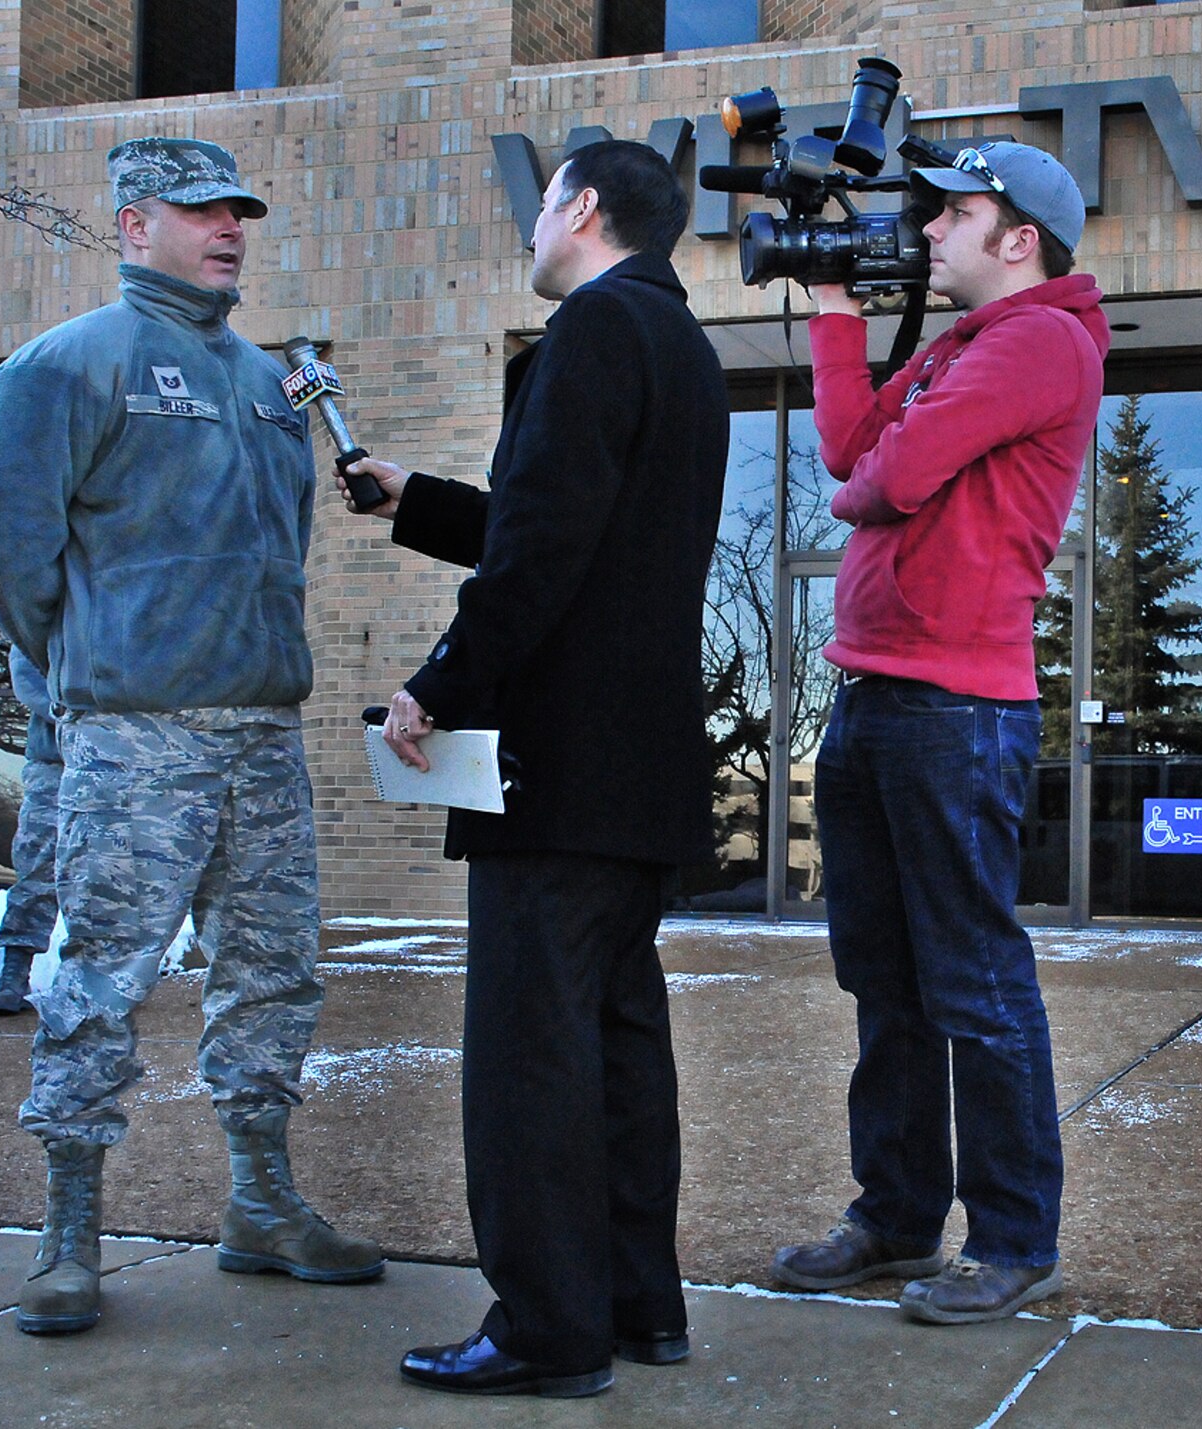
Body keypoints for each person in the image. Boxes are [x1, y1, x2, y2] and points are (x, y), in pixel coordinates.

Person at [0, 136, 383, 1337]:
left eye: (236, 210)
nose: (227, 228)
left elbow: (275, 547)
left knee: (275, 971)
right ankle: (68, 1233)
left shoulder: (262, 378)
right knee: (100, 980)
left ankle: (260, 1201)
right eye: (199, 212)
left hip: (261, 736)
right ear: (135, 227)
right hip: (136, 738)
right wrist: (74, 660)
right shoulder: (70, 364)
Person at [336, 139, 727, 1399]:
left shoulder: (589, 337)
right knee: (613, 1042)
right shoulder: (679, 345)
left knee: (528, 1057)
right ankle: (634, 1304)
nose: (532, 222)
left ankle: (546, 1328)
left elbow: (546, 549)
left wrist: (438, 685)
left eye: (543, 200)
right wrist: (421, 501)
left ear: (587, 209)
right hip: (640, 769)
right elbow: (576, 522)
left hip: (553, 766)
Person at [770, 141, 1110, 1324]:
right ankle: (896, 1219)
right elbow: (843, 444)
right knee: (884, 977)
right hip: (872, 692)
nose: (927, 232)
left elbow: (886, 476)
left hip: (955, 707)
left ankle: (1015, 1239)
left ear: (1017, 236)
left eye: (952, 214)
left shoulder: (1039, 341)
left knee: (971, 978)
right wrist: (828, 309)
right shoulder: (962, 346)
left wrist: (864, 488)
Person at [0, 649, 58, 1016]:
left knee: (111, 875)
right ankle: (15, 971)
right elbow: (26, 669)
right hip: (55, 762)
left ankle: (106, 980)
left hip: (120, 762)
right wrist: (74, 713)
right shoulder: (52, 601)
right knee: (38, 868)